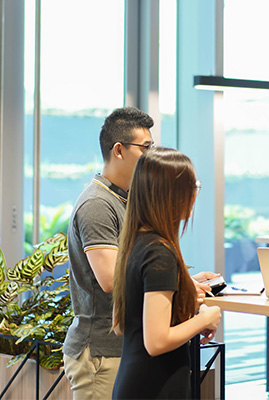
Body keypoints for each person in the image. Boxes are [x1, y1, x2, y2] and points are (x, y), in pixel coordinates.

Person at [64, 107, 217, 399]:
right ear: (118, 150)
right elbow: (111, 279)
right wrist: (171, 281)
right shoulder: (97, 204)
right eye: (145, 148)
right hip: (101, 350)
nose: (149, 155)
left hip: (124, 346)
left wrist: (176, 283)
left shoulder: (126, 200)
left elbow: (136, 272)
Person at [111, 147, 222, 399]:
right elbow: (157, 341)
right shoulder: (160, 253)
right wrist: (206, 318)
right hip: (156, 386)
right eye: (192, 186)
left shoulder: (136, 242)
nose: (195, 194)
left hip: (133, 381)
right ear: (171, 194)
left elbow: (122, 325)